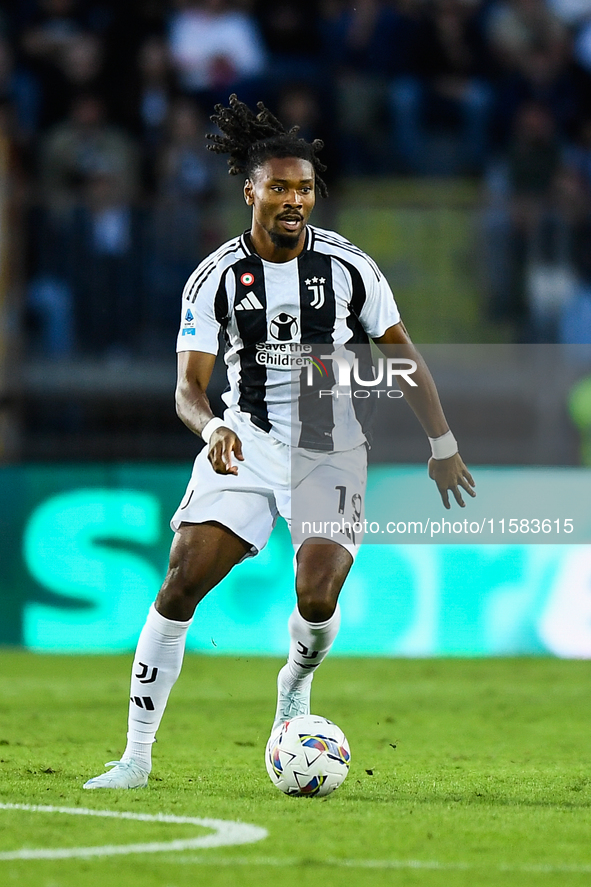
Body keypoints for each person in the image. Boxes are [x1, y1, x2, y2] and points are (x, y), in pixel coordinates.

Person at [83, 94, 475, 790]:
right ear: (251, 191)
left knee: (317, 593)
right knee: (180, 581)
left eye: (304, 188)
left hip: (330, 447)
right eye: (280, 187)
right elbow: (186, 387)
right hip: (248, 440)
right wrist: (213, 427)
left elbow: (402, 355)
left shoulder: (351, 269)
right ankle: (135, 758)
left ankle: (293, 684)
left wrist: (441, 440)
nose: (294, 199)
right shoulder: (214, 279)